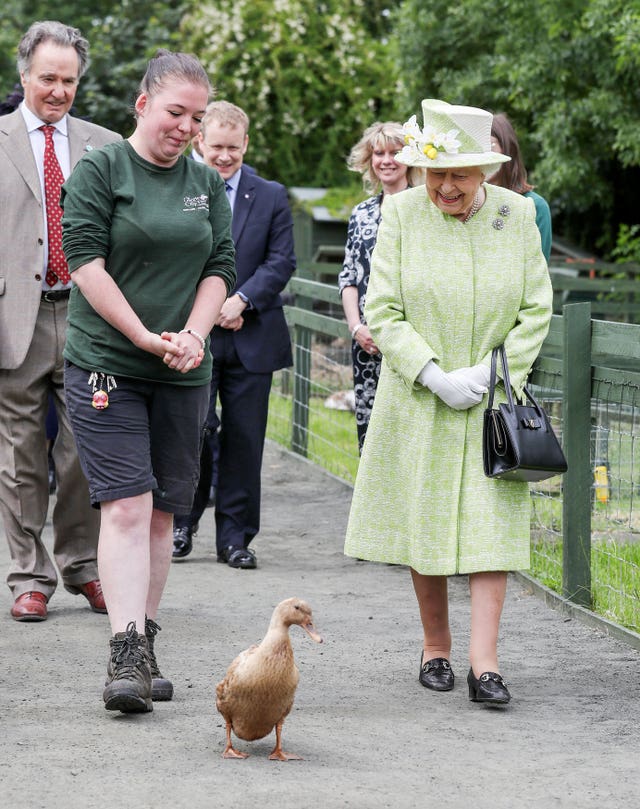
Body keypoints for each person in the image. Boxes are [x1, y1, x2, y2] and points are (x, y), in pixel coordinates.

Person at [344, 99, 553, 705]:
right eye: (437, 174)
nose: (445, 187)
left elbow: (536, 306)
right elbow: (382, 307)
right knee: (426, 521)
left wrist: (494, 372)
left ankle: (484, 664)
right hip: (421, 399)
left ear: (485, 171)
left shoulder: (516, 215)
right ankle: (435, 647)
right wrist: (433, 374)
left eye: (459, 174)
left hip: (494, 403)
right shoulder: (403, 212)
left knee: (491, 528)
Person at [60, 50, 236, 713]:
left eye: (196, 117)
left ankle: (147, 634)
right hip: (110, 360)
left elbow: (221, 262)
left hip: (184, 370)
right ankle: (125, 650)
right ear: (141, 105)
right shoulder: (102, 169)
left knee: (166, 509)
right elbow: (84, 260)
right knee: (128, 505)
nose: (187, 128)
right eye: (174, 113)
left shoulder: (204, 182)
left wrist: (194, 333)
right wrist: (141, 334)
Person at [0, 20, 120, 622]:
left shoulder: (105, 145)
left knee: (84, 450)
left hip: (87, 317)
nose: (58, 90)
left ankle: (83, 564)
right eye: (48, 78)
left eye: (68, 80)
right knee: (21, 455)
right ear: (24, 76)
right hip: (14, 316)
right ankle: (28, 575)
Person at [171, 101, 296, 569]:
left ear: (246, 144)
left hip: (251, 333)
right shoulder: (177, 185)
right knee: (191, 432)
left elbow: (281, 260)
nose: (224, 157)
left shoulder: (270, 195)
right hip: (191, 333)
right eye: (216, 147)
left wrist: (241, 301)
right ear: (200, 141)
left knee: (246, 439)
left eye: (233, 148)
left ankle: (236, 537)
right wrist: (204, 311)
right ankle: (182, 522)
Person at [338, 122, 424, 453]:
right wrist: (356, 327)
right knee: (372, 433)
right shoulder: (361, 213)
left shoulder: (424, 209)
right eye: (379, 153)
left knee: (409, 432)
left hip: (408, 341)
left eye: (395, 152)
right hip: (366, 345)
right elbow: (348, 275)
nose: (386, 160)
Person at [488, 112, 552, 262]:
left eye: (490, 145)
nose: (484, 154)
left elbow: (539, 271)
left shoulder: (535, 206)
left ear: (507, 148)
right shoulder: (465, 204)